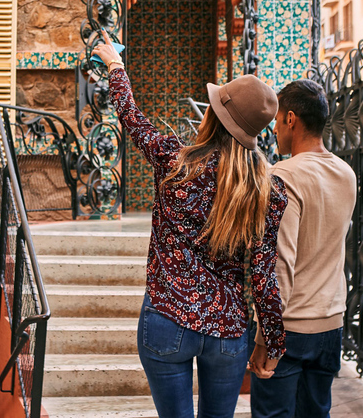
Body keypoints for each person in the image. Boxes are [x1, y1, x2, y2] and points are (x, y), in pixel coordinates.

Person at [92, 30, 288, 418]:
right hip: (229, 333)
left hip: (168, 318)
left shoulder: (175, 162)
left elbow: (133, 119)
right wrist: (272, 341)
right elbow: (265, 278)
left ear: (214, 114)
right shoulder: (268, 191)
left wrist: (116, 67)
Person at [248, 79, 357, 418]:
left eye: (277, 120)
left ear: (291, 119)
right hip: (331, 325)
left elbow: (280, 264)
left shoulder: (284, 176)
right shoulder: (346, 173)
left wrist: (266, 339)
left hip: (290, 329)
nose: (275, 128)